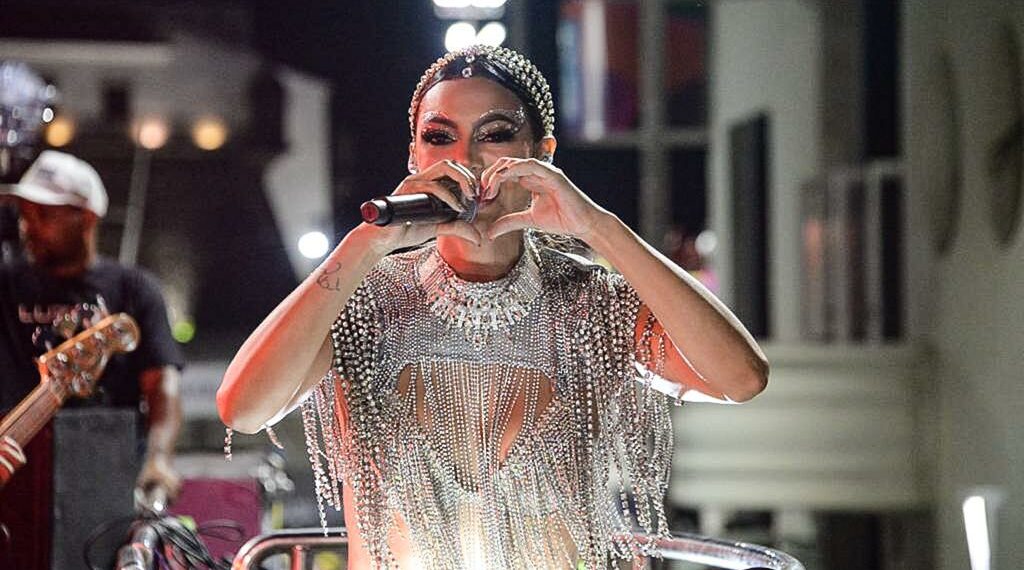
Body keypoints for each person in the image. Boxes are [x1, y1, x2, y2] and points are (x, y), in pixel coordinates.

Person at [218, 45, 768, 569]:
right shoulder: (366, 301)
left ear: (542, 154)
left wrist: (599, 229)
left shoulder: (591, 304)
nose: (467, 161)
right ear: (414, 154)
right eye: (440, 137)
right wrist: (365, 243)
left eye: (496, 134)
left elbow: (740, 378)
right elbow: (243, 409)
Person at [0, 150, 185, 509]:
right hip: (15, 471)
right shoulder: (4, 284)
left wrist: (159, 459)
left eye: (44, 214)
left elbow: (162, 386)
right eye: (23, 213)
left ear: (86, 218)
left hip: (107, 470)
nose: (27, 226)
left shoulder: (134, 289)